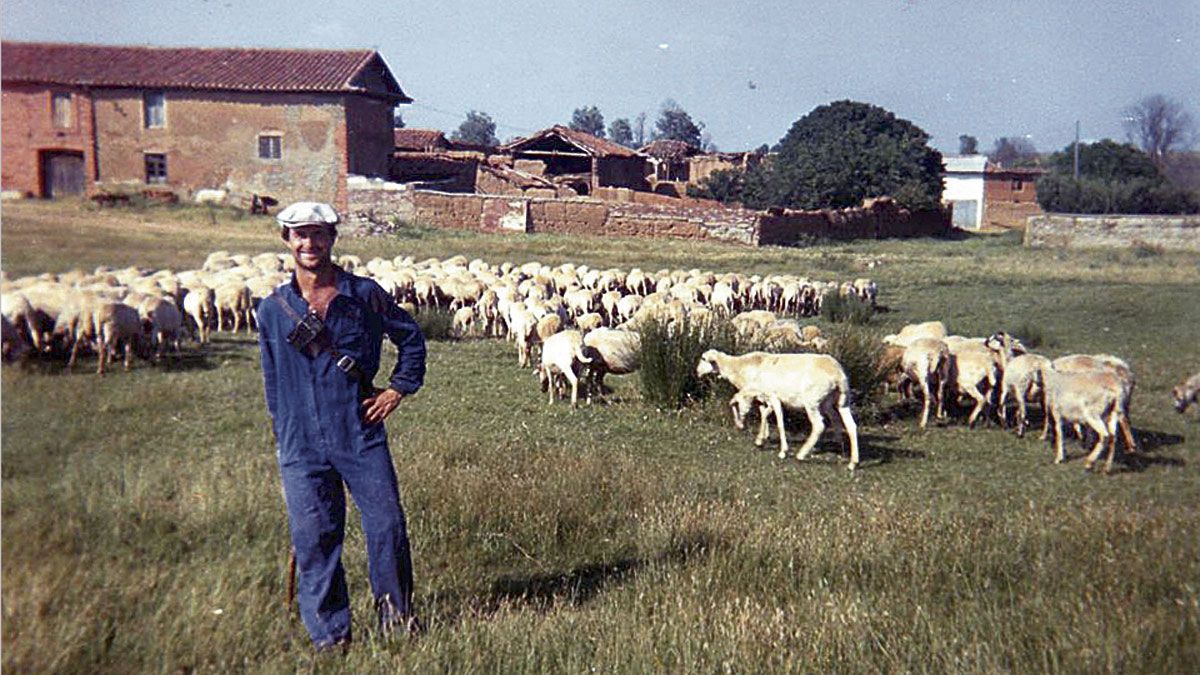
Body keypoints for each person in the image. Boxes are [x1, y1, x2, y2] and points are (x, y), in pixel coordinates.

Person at [257, 201, 426, 650]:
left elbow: (410, 337)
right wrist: (284, 438)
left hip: (358, 432)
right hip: (300, 443)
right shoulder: (273, 309)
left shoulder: (363, 294)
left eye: (318, 234)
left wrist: (396, 390)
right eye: (299, 235)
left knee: (387, 526)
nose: (309, 244)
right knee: (315, 538)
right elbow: (272, 379)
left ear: (332, 238)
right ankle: (332, 638)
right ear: (287, 241)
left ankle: (396, 624)